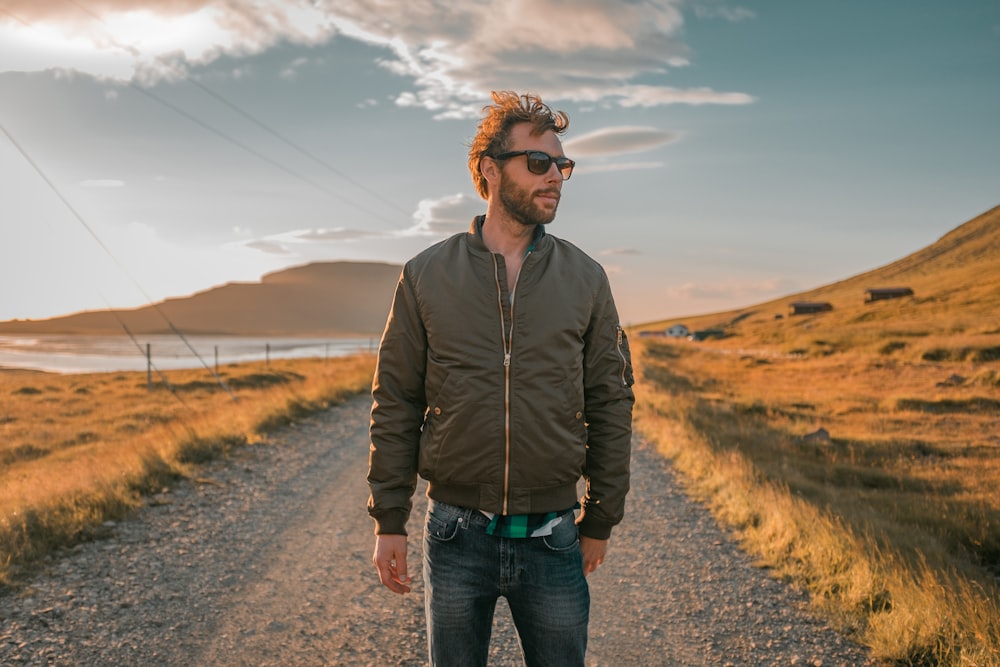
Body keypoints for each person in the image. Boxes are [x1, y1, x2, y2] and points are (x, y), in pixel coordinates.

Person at [367, 90, 635, 666]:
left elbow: (611, 402)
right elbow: (396, 401)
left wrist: (602, 517)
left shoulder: (586, 279)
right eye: (538, 163)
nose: (556, 177)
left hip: (555, 537)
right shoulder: (425, 276)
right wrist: (390, 519)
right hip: (455, 536)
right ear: (490, 171)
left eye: (562, 166)